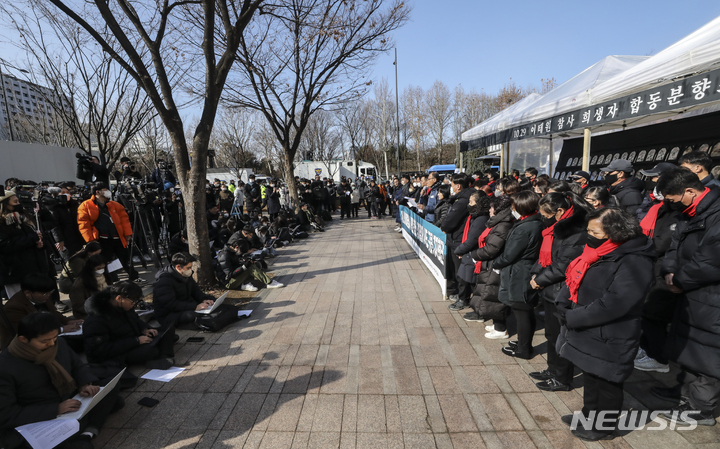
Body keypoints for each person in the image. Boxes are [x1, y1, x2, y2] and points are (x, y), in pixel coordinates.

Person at [555, 208, 654, 441]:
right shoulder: (599, 251)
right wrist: (565, 303)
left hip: (612, 331)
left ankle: (604, 426)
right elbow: (575, 279)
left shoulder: (635, 260)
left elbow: (616, 302)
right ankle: (589, 415)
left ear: (616, 232)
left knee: (607, 379)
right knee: (590, 372)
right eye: (588, 230)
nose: (588, 235)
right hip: (589, 326)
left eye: (594, 232)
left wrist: (574, 317)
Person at [655, 167, 720, 426]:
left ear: (691, 191)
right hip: (690, 292)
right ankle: (686, 393)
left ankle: (701, 410)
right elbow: (675, 246)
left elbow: (711, 260)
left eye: (673, 198)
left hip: (711, 296)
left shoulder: (716, 214)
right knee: (690, 346)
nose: (670, 204)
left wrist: (679, 279)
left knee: (708, 353)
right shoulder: (689, 213)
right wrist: (669, 271)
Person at [0, 313, 123, 449]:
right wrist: (56, 409)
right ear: (23, 339)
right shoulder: (5, 367)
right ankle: (86, 429)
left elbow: (77, 365)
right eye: (44, 341)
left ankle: (87, 433)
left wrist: (84, 383)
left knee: (111, 389)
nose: (52, 344)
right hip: (41, 417)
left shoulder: (59, 343)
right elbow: (6, 413)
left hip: (69, 401)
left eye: (54, 337)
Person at [527, 192, 590, 392]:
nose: (543, 218)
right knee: (551, 334)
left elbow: (563, 265)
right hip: (550, 288)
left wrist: (539, 280)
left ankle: (563, 378)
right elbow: (546, 257)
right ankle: (552, 369)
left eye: (546, 214)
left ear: (560, 211)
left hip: (563, 291)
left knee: (562, 337)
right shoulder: (554, 229)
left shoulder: (575, 233)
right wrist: (536, 275)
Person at [634, 162, 680, 374]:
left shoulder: (676, 212)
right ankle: (648, 350)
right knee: (648, 313)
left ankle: (658, 358)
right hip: (650, 265)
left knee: (655, 314)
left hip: (664, 270)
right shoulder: (657, 207)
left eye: (655, 179)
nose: (652, 183)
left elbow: (662, 243)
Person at [493, 191, 543, 359]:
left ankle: (524, 349)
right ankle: (524, 342)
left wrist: (495, 264)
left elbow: (510, 255)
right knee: (526, 311)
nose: (511, 209)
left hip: (520, 273)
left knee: (522, 313)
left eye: (513, 206)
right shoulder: (533, 222)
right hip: (523, 270)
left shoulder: (526, 228)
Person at [84, 282, 177, 370]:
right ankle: (160, 355)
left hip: (132, 339)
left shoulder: (124, 306)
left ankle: (162, 355)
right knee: (150, 350)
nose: (134, 305)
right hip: (118, 353)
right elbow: (102, 350)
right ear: (119, 298)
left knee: (167, 330)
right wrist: (136, 341)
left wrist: (144, 328)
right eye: (132, 302)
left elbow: (135, 319)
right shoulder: (96, 320)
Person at [464, 195, 514, 333]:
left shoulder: (503, 225)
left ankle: (500, 329)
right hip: (489, 264)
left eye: (492, 208)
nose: (490, 211)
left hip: (494, 265)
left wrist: (475, 255)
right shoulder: (498, 222)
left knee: (493, 297)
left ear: (498, 209)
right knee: (489, 295)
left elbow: (492, 248)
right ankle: (497, 324)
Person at [76, 182, 140, 283]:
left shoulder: (114, 205)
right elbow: (84, 224)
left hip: (118, 237)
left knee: (125, 259)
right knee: (106, 261)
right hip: (102, 239)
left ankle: (134, 277)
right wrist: (90, 241)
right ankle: (111, 280)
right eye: (105, 189)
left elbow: (124, 219)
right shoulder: (85, 205)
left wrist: (128, 233)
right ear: (97, 192)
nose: (107, 191)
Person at [1, 274, 82, 350]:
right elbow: (26, 331)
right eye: (45, 294)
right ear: (27, 293)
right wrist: (60, 329)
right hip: (28, 344)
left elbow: (53, 312)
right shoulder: (14, 307)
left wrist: (68, 321)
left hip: (48, 334)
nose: (48, 296)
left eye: (50, 293)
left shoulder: (41, 296)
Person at [0, 189, 50, 299]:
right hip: (14, 272)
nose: (19, 204)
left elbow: (38, 235)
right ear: (4, 204)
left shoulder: (24, 218)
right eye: (15, 202)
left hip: (33, 268)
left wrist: (40, 244)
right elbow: (4, 245)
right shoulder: (2, 223)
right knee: (21, 302)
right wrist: (32, 238)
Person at [448, 192, 491, 312]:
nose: (469, 204)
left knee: (468, 280)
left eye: (472, 202)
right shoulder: (474, 216)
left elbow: (472, 239)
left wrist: (459, 250)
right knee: (463, 277)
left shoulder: (481, 219)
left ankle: (466, 301)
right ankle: (464, 299)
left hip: (473, 254)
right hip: (468, 252)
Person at [153, 252, 216, 328]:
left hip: (184, 305)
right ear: (178, 267)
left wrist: (204, 299)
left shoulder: (185, 274)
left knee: (212, 301)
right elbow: (171, 304)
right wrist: (194, 307)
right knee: (192, 315)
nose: (190, 270)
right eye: (188, 268)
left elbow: (195, 290)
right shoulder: (164, 281)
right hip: (169, 314)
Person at [441, 174, 474, 302]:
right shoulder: (462, 198)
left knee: (460, 270)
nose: (451, 187)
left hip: (458, 239)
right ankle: (460, 293)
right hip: (456, 238)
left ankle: (462, 297)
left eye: (452, 185)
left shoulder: (462, 201)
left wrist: (444, 226)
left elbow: (450, 221)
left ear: (458, 186)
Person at [217, 239, 284, 292]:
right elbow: (230, 274)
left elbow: (237, 262)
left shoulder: (233, 252)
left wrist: (246, 261)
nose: (240, 254)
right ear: (236, 247)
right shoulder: (224, 255)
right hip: (228, 283)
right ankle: (269, 282)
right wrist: (244, 266)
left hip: (234, 277)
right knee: (249, 267)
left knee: (252, 264)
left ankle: (245, 283)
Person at [69, 255, 110, 320]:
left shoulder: (104, 276)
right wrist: (99, 311)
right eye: (98, 268)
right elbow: (78, 305)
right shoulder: (80, 283)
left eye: (103, 268)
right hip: (88, 313)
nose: (101, 270)